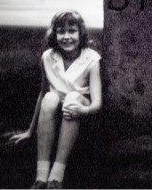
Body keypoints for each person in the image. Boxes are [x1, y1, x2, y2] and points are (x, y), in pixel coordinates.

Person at [10, 10, 102, 189]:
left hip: (81, 113)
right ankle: (41, 176)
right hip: (55, 112)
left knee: (73, 97)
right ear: (54, 34)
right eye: (61, 31)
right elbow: (42, 94)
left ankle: (57, 176)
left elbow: (97, 103)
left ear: (80, 33)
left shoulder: (92, 58)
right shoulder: (48, 57)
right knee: (50, 97)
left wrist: (83, 110)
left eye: (72, 31)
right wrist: (31, 130)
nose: (66, 37)